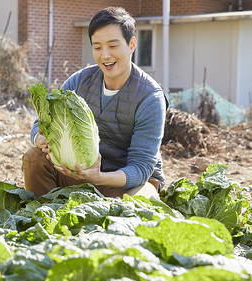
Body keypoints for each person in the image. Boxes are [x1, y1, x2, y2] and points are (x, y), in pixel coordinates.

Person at [22, 6, 167, 199]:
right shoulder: (80, 81)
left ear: (132, 44)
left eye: (113, 46)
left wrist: (99, 177)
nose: (105, 55)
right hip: (81, 170)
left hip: (125, 180)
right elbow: (40, 124)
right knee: (34, 158)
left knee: (140, 204)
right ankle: (46, 214)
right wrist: (39, 138)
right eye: (97, 47)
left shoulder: (150, 97)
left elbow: (141, 168)